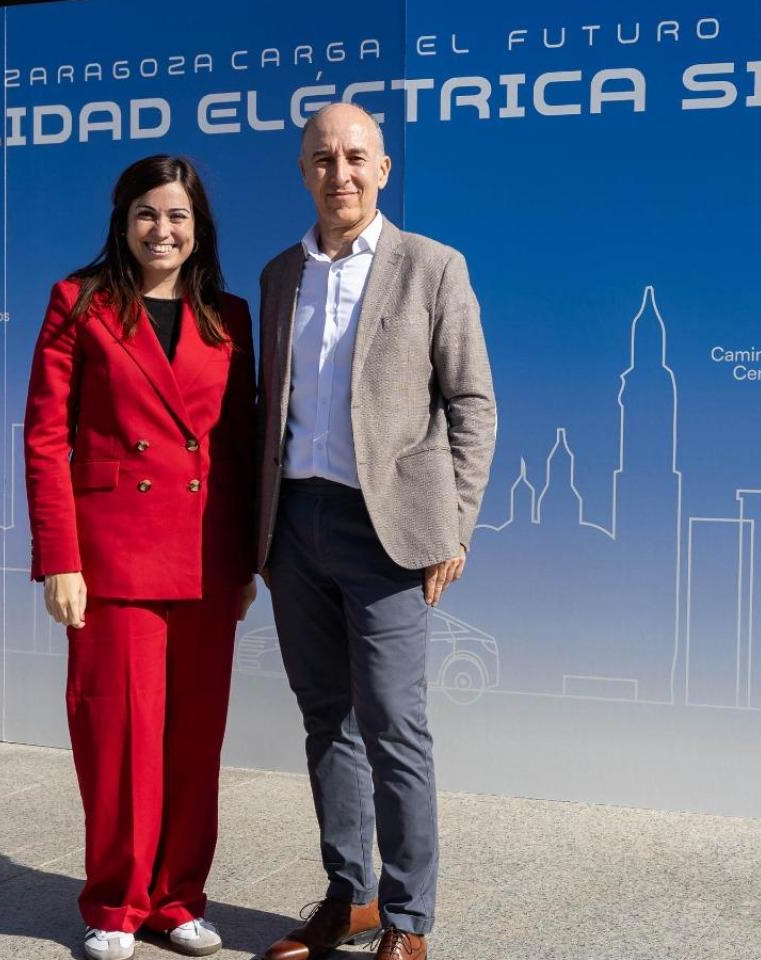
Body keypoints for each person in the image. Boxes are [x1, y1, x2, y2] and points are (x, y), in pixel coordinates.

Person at [256, 103, 496, 960]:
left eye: (356, 157)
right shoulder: (281, 274)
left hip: (389, 532)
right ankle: (349, 895)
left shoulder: (432, 268)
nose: (340, 173)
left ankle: (408, 917)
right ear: (303, 171)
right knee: (327, 718)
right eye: (322, 158)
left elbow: (471, 403)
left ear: (384, 170)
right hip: (294, 526)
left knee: (393, 721)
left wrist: (454, 524)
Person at [24, 155, 258, 960]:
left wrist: (247, 562)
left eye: (179, 217)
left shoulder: (228, 315)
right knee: (119, 736)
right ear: (122, 223)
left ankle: (177, 898)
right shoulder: (79, 302)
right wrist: (60, 557)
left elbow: (240, 443)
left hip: (204, 559)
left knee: (195, 739)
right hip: (112, 556)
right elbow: (46, 437)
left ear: (200, 230)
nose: (164, 230)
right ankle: (116, 904)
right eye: (148, 215)